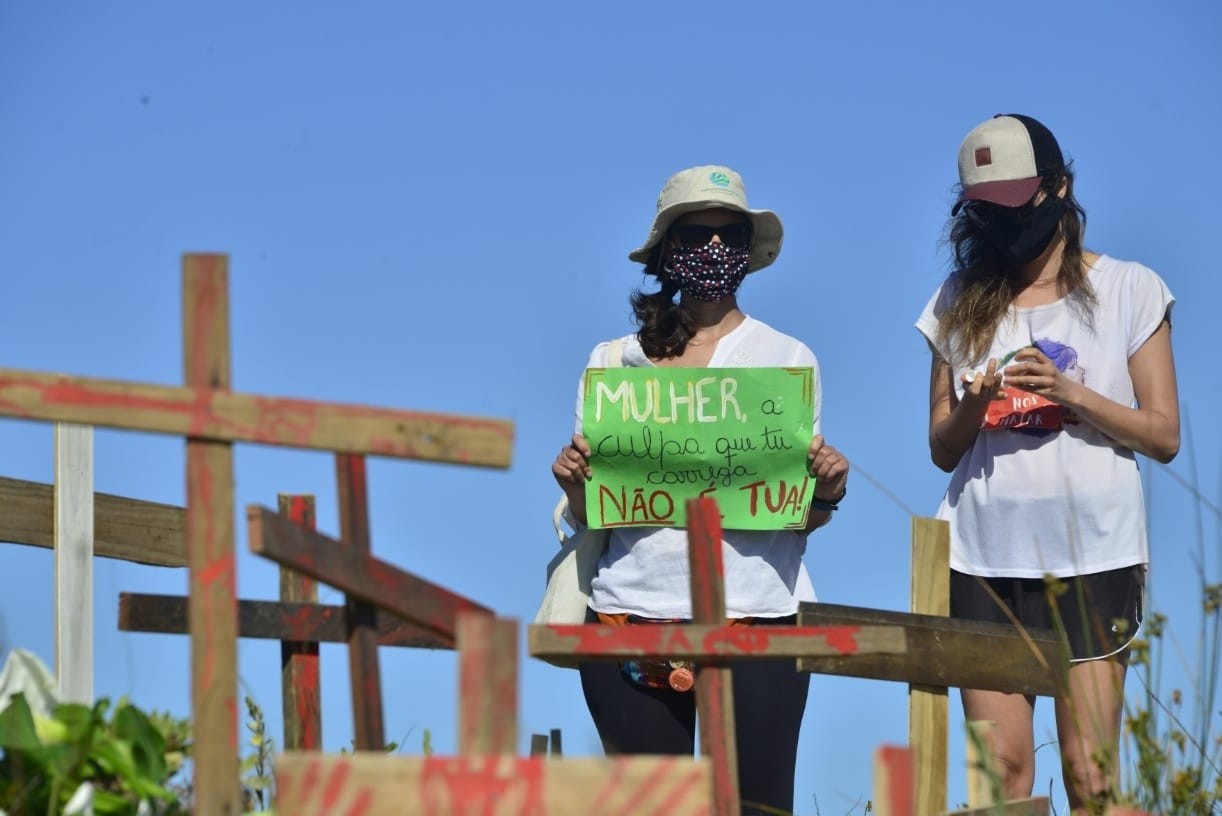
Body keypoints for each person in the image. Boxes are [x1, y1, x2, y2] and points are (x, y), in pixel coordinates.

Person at [551, 165, 849, 816]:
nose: (713, 249)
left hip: (759, 616)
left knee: (756, 809)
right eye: (696, 234)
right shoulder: (613, 363)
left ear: (748, 248)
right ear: (666, 251)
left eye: (728, 234)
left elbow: (794, 516)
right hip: (629, 618)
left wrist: (825, 493)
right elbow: (594, 512)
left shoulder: (786, 359)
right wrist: (575, 482)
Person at [916, 114, 1180, 812]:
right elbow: (943, 446)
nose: (1003, 225)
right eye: (986, 211)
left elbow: (1162, 434)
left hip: (1095, 554)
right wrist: (974, 406)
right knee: (998, 779)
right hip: (982, 558)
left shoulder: (1130, 288)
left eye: (1015, 203)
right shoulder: (955, 301)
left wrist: (1069, 392)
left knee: (1092, 775)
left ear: (1060, 187)